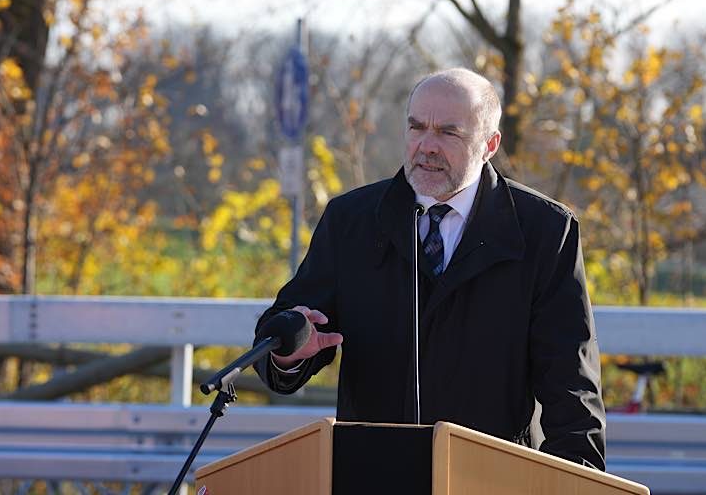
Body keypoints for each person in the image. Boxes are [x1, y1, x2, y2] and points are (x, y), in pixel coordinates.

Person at [253, 67, 606, 470]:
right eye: (417, 127)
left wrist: (578, 478)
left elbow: (570, 384)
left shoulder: (545, 230)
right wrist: (289, 353)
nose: (427, 146)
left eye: (448, 132)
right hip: (372, 472)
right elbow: (282, 340)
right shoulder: (351, 221)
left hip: (490, 476)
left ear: (490, 144)